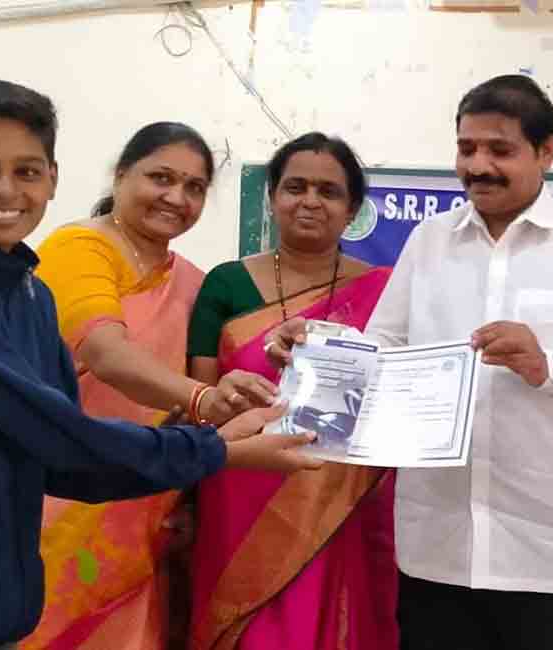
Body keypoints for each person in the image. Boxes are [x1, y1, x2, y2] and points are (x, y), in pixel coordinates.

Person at [0, 79, 320, 650]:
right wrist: (218, 447)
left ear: (54, 178)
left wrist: (220, 425)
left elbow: (65, 464)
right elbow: (52, 428)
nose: (5, 190)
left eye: (28, 172)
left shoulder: (32, 295)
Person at [268, 76, 553, 650]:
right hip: (439, 557)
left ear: (546, 150)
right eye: (466, 148)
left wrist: (548, 364)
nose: (477, 165)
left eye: (499, 150)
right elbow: (383, 352)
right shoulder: (428, 242)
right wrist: (320, 346)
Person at [22, 123, 272, 650]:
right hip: (61, 499)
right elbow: (105, 353)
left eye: (194, 187)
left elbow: (211, 386)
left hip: (146, 507)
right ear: (120, 175)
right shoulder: (78, 248)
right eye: (160, 178)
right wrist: (202, 397)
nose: (176, 198)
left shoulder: (195, 283)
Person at [186, 132, 397, 650]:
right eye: (295, 186)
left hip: (339, 498)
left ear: (352, 210)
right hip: (240, 487)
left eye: (328, 191)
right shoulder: (225, 284)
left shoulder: (387, 290)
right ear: (273, 197)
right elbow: (198, 395)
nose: (309, 201)